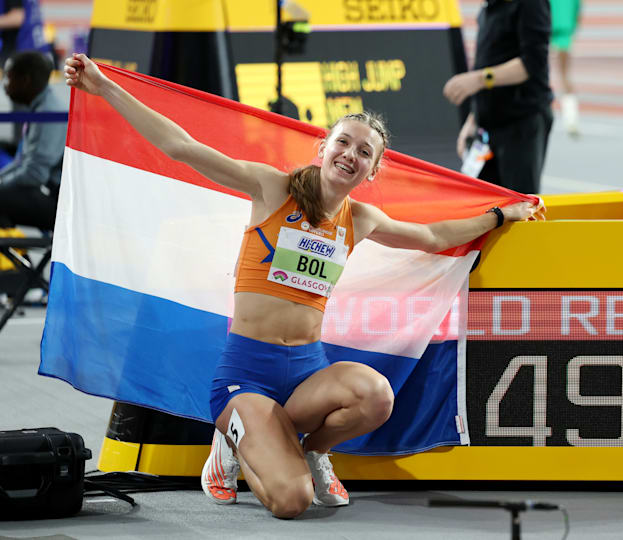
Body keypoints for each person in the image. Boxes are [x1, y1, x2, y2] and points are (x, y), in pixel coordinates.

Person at [64, 52, 545, 519]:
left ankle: (314, 452)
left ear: (373, 171)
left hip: (307, 373)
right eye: (343, 143)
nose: (350, 155)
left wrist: (503, 213)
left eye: (364, 152)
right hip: (246, 374)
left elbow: (434, 236)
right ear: (323, 148)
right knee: (291, 502)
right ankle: (233, 439)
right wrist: (104, 86)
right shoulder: (273, 188)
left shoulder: (361, 218)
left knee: (377, 396)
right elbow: (182, 148)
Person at [442, 0, 553, 194]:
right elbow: (487, 58)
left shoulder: (531, 4)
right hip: (489, 123)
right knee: (485, 205)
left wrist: (478, 79)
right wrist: (474, 117)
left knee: (519, 205)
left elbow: (532, 63)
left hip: (521, 121)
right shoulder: (490, 6)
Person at [0, 51, 66, 232]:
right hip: (46, 191)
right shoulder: (41, 106)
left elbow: (35, 174)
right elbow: (22, 162)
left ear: (25, 81)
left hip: (56, 202)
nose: (5, 85)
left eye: (8, 78)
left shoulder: (49, 113)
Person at [550, 0, 582, 135]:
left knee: (538, 72)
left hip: (546, 30)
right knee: (564, 75)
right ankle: (571, 119)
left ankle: (570, 119)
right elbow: (577, 12)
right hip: (565, 33)